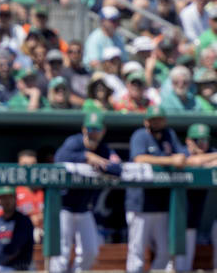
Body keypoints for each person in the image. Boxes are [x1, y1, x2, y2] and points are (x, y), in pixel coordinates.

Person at [51, 112, 121, 272]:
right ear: (84, 129)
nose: (93, 132)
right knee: (62, 253)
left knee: (90, 251)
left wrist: (102, 163)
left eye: (97, 129)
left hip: (84, 209)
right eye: (90, 128)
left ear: (103, 131)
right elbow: (60, 157)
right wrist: (86, 156)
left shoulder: (104, 149)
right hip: (64, 206)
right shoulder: (74, 142)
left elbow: (118, 167)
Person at [125, 106, 188, 273]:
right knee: (137, 251)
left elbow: (182, 156)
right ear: (146, 121)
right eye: (153, 119)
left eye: (159, 119)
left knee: (165, 251)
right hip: (140, 203)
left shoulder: (169, 135)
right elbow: (139, 158)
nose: (156, 122)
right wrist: (170, 161)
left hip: (161, 204)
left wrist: (180, 158)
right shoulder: (140, 135)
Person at [174, 124, 217, 272]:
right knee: (177, 261)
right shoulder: (181, 151)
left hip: (198, 211)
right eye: (198, 140)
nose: (202, 144)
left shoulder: (211, 151)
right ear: (189, 141)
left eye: (205, 140)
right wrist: (205, 159)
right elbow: (192, 161)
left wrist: (207, 158)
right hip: (178, 211)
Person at [0, 187, 34, 272]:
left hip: (19, 268)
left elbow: (14, 249)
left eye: (10, 197)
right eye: (3, 197)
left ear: (15, 198)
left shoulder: (23, 221)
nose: (7, 201)